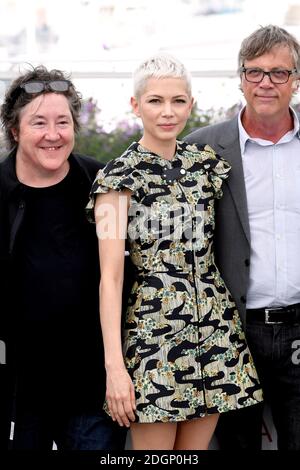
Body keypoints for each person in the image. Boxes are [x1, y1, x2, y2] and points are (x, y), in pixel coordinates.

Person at [87, 53, 263, 451]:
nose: (168, 112)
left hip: (215, 334)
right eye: (155, 101)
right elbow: (110, 277)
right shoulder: (118, 179)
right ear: (136, 105)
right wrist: (115, 366)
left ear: (191, 104)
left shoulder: (207, 167)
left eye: (178, 101)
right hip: (154, 340)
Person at [184, 24, 300, 451]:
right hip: (232, 331)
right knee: (235, 445)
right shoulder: (201, 149)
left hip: (298, 327)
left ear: (296, 80)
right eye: (254, 72)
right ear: (240, 78)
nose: (265, 83)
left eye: (279, 73)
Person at [0, 65, 126, 450]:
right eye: (39, 123)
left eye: (63, 122)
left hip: (91, 391)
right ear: (15, 130)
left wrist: (117, 369)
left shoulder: (104, 183)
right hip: (19, 396)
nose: (53, 135)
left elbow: (122, 277)